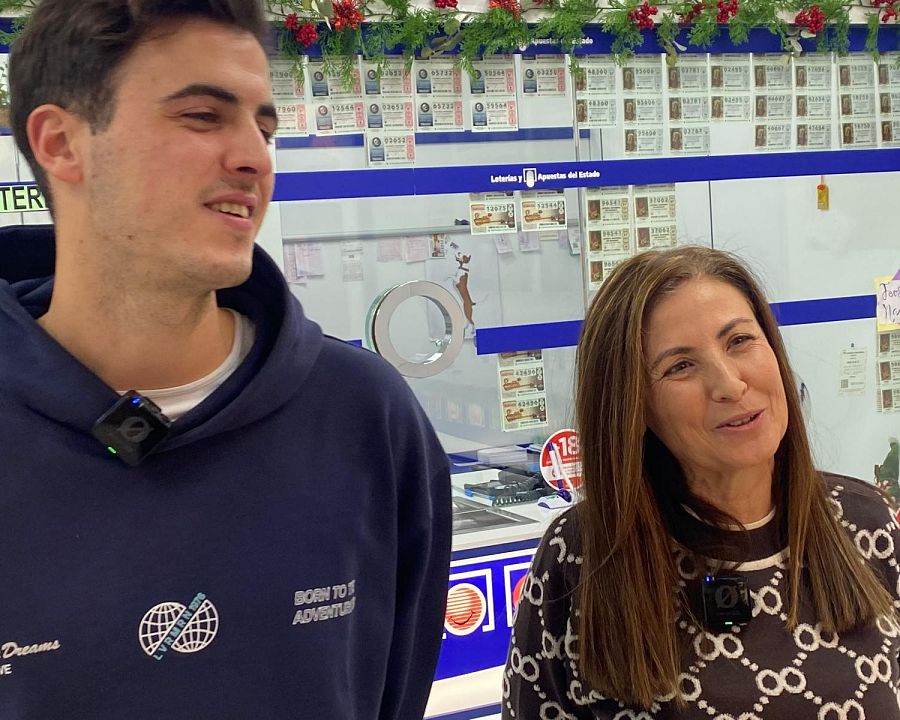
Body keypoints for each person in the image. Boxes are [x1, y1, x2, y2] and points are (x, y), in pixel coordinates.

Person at [0, 1, 451, 719]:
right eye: (204, 116)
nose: (254, 157)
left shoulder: (366, 417)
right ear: (61, 143)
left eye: (263, 126)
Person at [503, 246, 900, 718]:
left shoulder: (864, 521)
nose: (729, 384)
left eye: (739, 341)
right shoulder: (583, 553)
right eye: (680, 366)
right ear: (636, 407)